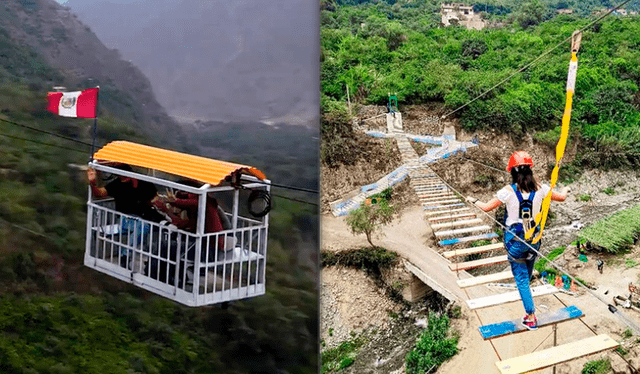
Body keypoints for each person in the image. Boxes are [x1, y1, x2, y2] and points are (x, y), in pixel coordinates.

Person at [470, 151, 570, 330]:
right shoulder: (542, 188)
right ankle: (528, 311)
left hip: (515, 243)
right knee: (527, 275)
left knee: (522, 279)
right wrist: (566, 189)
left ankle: (531, 316)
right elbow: (561, 197)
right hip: (533, 242)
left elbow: (486, 207)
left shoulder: (507, 192)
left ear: (512, 172)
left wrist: (473, 200)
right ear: (530, 170)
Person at [88, 164, 164, 268]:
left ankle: (157, 261)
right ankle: (125, 255)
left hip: (145, 216)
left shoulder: (145, 184)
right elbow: (100, 194)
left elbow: (155, 200)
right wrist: (93, 183)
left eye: (124, 176)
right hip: (125, 218)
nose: (122, 179)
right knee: (143, 226)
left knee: (162, 229)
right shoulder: (117, 184)